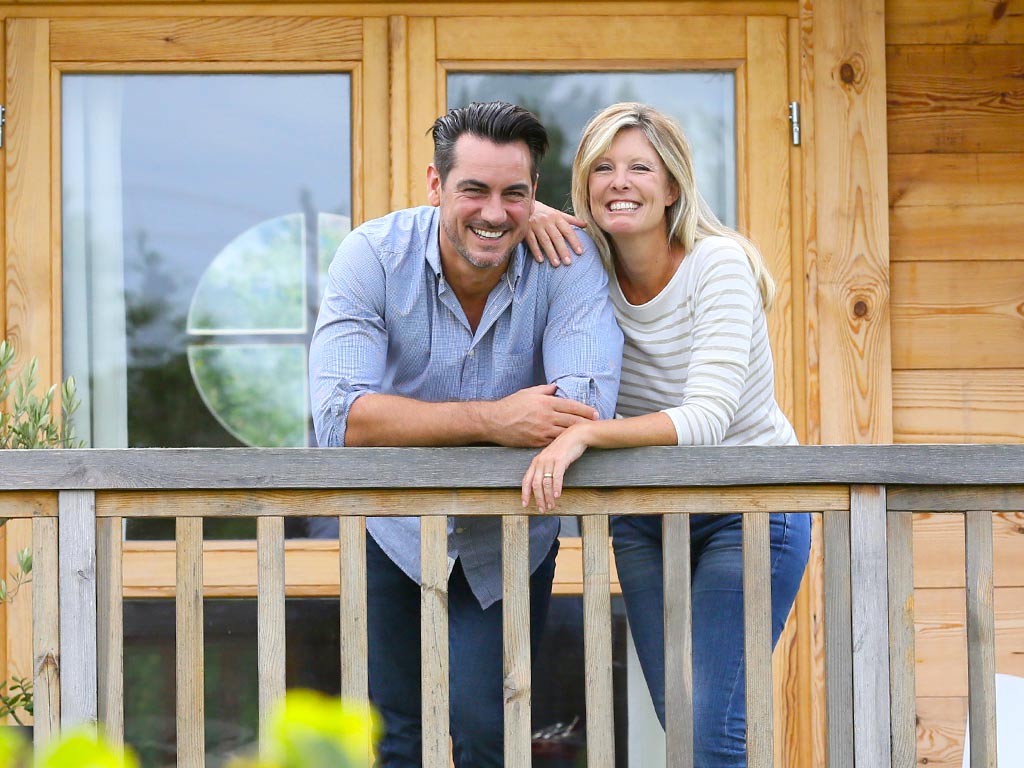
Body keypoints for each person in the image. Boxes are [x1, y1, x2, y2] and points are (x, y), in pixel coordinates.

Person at [308, 101, 622, 768]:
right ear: (434, 185)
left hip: (510, 535)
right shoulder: (372, 256)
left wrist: (412, 423)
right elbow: (341, 417)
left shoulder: (566, 261)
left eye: (514, 193)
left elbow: (583, 406)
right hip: (391, 531)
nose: (493, 211)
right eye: (473, 189)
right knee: (399, 736)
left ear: (536, 194)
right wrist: (495, 419)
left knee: (489, 732)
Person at [520, 102, 810, 767]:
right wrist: (526, 213)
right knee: (679, 722)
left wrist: (587, 436)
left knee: (711, 730)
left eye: (640, 168)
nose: (620, 182)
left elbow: (707, 419)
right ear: (585, 185)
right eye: (603, 168)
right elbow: (480, 227)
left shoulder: (719, 265)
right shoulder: (582, 268)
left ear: (672, 185)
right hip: (648, 517)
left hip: (752, 509)